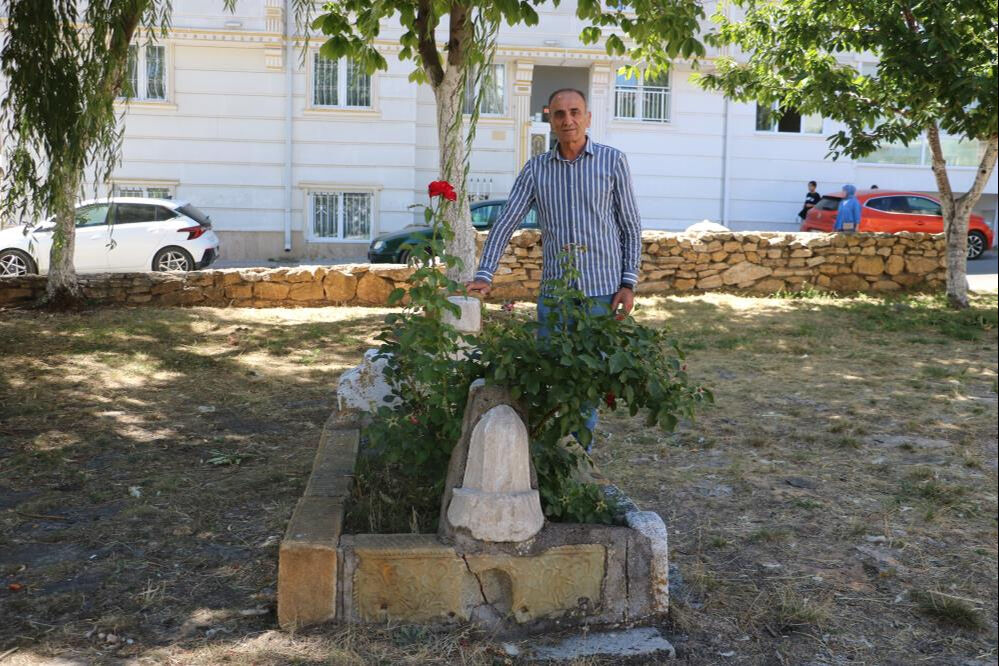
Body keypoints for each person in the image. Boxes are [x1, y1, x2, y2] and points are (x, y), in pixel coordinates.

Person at [466, 87, 642, 443]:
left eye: (575, 112)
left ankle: (577, 457)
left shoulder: (613, 162)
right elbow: (506, 220)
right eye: (560, 114)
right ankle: (548, 453)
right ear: (550, 120)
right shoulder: (536, 169)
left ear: (588, 117)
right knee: (549, 374)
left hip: (602, 293)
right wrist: (485, 273)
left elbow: (630, 226)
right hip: (555, 294)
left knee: (587, 382)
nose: (568, 120)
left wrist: (628, 283)